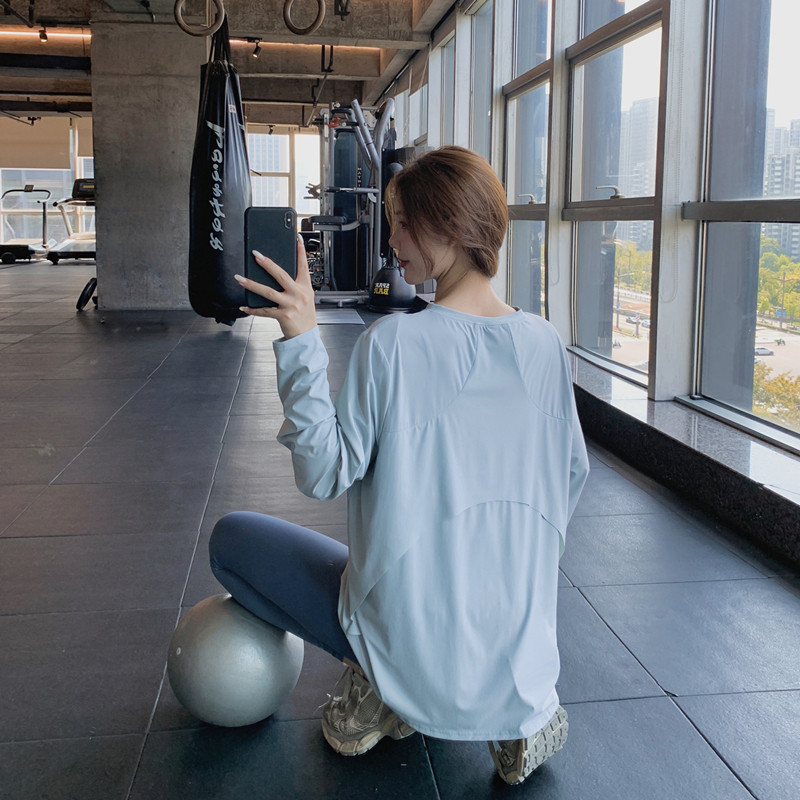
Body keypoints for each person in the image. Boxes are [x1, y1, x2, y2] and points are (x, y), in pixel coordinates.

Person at [210, 146, 589, 785]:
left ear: (452, 228)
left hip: (408, 640)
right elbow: (571, 476)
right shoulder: (546, 343)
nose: (392, 242)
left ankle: (384, 686)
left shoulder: (392, 344)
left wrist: (301, 339)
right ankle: (513, 712)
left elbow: (323, 473)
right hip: (519, 654)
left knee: (233, 540)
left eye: (404, 224)